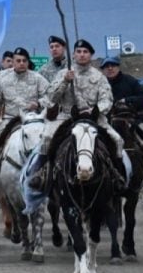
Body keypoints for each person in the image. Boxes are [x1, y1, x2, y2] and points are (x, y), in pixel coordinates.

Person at [28, 38, 125, 190]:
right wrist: (65, 81)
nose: (82, 55)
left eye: (85, 52)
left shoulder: (99, 77)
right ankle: (40, 173)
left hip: (93, 118)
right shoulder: (62, 74)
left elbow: (107, 100)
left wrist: (95, 111)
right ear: (73, 55)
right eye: (78, 52)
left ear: (91, 55)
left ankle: (118, 175)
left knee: (117, 139)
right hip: (66, 116)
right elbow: (51, 97)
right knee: (47, 137)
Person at [100, 56, 143, 185]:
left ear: (118, 67)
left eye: (113, 65)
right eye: (106, 66)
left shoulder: (130, 81)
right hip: (105, 122)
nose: (110, 68)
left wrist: (127, 100)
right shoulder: (99, 84)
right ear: (103, 70)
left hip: (130, 121)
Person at [0, 47, 50, 161]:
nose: (21, 63)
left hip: (33, 120)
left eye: (24, 61)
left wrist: (39, 104)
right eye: (18, 61)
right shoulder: (3, 80)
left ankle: (49, 172)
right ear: (13, 62)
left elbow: (51, 97)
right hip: (10, 120)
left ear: (28, 62)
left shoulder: (38, 78)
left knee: (49, 140)